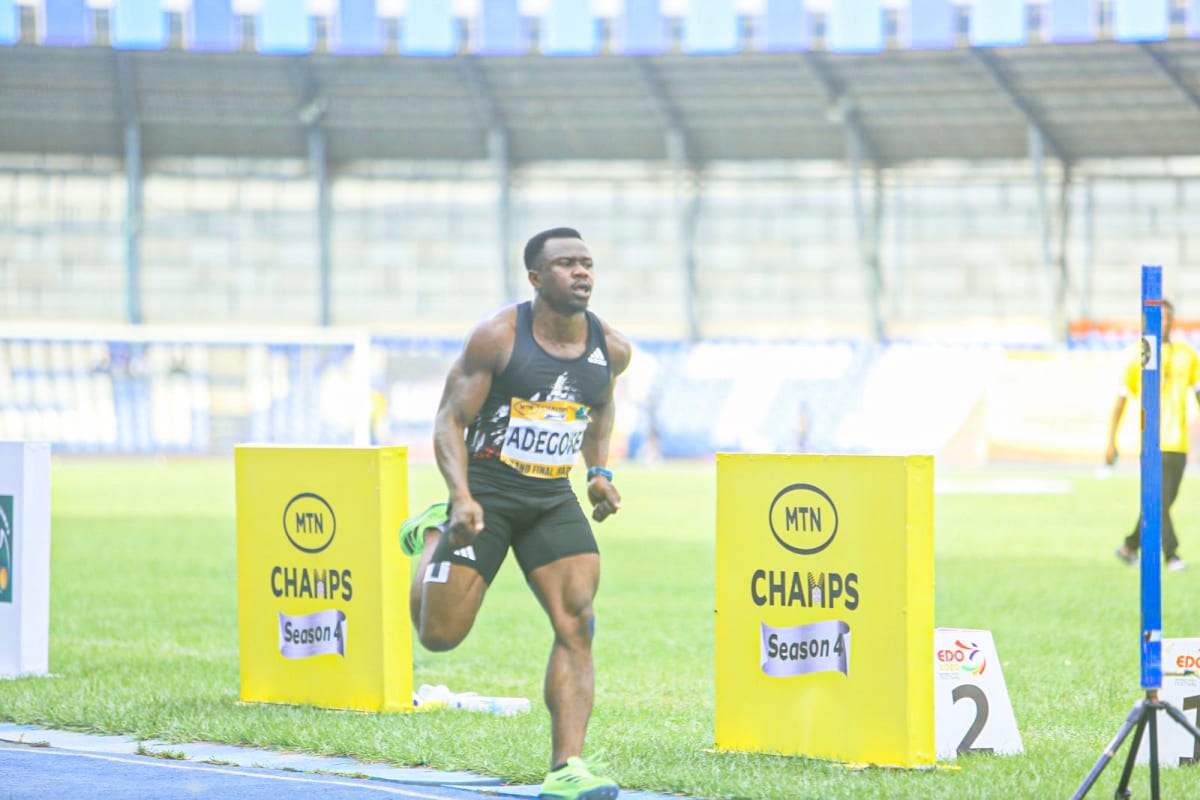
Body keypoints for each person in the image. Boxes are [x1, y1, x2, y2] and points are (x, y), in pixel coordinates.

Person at [398, 227, 630, 800]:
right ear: (535, 278)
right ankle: (433, 538)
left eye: (587, 264)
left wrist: (598, 472)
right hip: (487, 496)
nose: (581, 273)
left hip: (551, 497)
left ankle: (567, 768)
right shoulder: (498, 337)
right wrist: (459, 498)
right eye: (566, 265)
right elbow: (449, 418)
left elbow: (598, 408)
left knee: (577, 620)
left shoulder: (611, 349)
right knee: (439, 636)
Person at [1107, 299, 1198, 572]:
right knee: (1158, 500)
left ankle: (1129, 546)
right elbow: (1122, 398)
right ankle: (1171, 554)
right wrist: (1111, 440)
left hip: (1179, 441)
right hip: (1152, 441)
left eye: (1169, 318)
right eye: (1160, 318)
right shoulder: (1141, 353)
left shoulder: (1187, 355)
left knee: (1161, 502)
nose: (1165, 323)